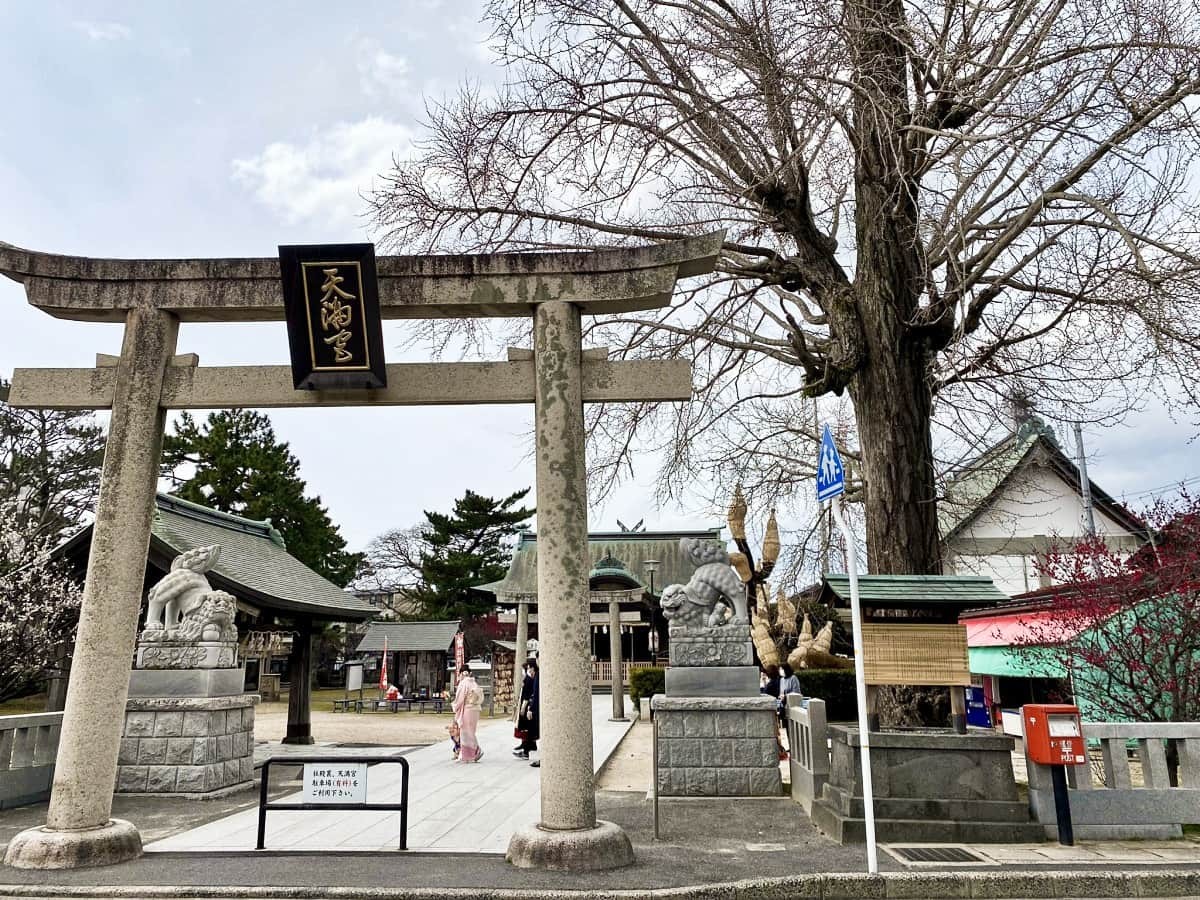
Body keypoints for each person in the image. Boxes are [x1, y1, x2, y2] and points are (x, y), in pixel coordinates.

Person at [452, 664, 485, 762]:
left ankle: (473, 752)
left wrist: (455, 706)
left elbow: (460, 699)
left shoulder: (463, 683)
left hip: (468, 709)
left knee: (466, 732)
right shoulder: (473, 682)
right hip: (475, 709)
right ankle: (471, 753)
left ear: (461, 673)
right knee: (471, 731)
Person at [514, 658, 540, 765]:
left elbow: (530, 694)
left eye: (529, 667)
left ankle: (526, 750)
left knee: (528, 728)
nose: (528, 670)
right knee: (529, 729)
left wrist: (527, 706)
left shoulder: (532, 678)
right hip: (530, 705)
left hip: (531, 706)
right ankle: (528, 747)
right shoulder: (531, 677)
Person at [777, 663, 802, 758]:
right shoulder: (782, 680)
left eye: (781, 669)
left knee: (793, 728)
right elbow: (781, 692)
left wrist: (786, 696)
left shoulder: (793, 678)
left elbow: (796, 692)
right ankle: (791, 745)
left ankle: (797, 747)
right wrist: (781, 696)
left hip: (792, 705)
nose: (780, 671)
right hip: (784, 707)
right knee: (787, 728)